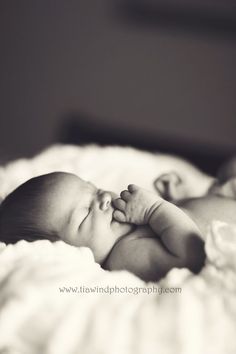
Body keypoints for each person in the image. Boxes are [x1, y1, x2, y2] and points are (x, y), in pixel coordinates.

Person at [0, 170, 236, 281]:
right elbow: (191, 254)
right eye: (84, 215)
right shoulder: (125, 253)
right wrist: (155, 209)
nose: (103, 199)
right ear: (71, 251)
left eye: (94, 190)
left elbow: (183, 216)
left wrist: (177, 198)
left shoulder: (127, 224)